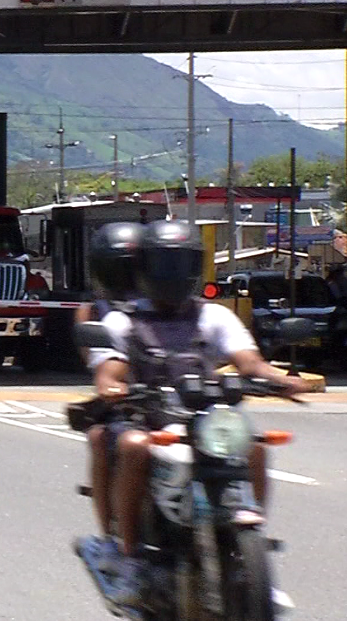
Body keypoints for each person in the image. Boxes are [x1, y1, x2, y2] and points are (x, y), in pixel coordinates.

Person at [87, 220, 308, 607]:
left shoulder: (215, 316)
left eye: (180, 264)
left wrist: (280, 379)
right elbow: (110, 369)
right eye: (162, 264)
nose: (171, 275)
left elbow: (250, 362)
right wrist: (112, 386)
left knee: (254, 446)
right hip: (148, 417)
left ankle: (251, 560)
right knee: (134, 447)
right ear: (143, 267)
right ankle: (129, 558)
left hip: (205, 419)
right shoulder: (123, 321)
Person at [71, 222, 143, 569]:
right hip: (130, 401)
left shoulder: (173, 306)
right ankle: (111, 544)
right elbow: (99, 363)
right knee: (100, 437)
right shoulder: (97, 312)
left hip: (179, 401)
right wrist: (115, 384)